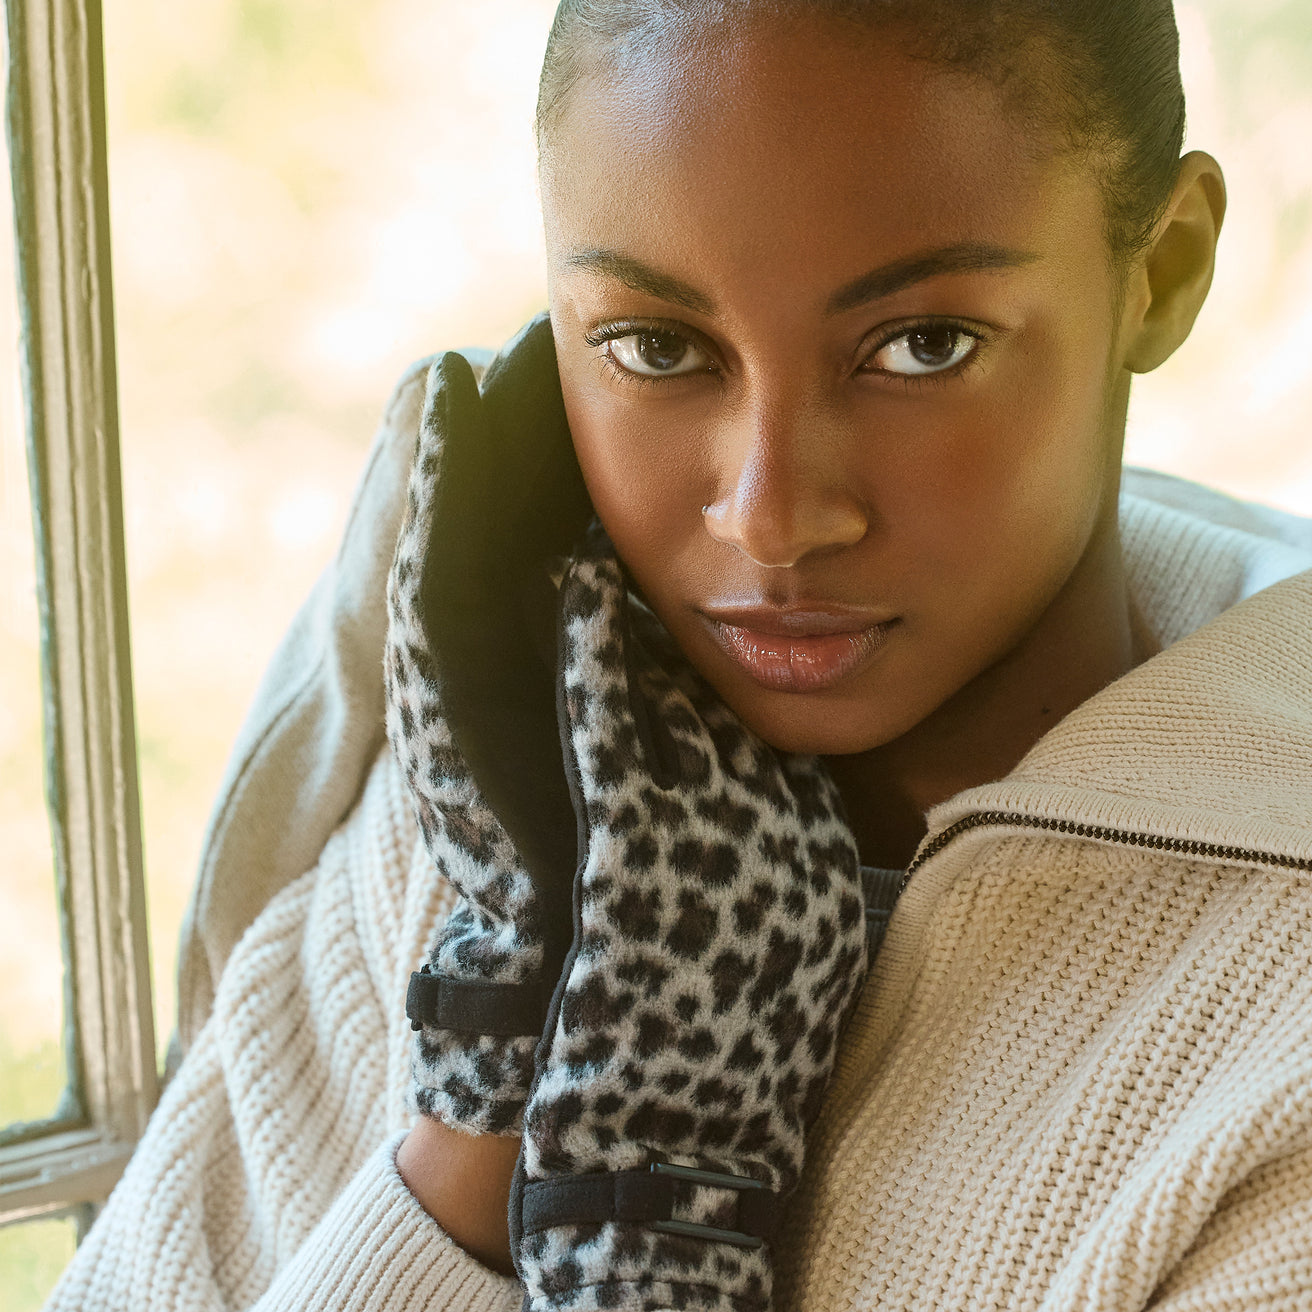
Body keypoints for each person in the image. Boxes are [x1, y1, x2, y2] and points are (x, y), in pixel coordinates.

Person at [45, 1, 1312, 1310]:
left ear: (1161, 272)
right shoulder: (485, 820)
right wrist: (491, 1124)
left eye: (921, 347)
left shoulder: (1284, 1026)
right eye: (658, 349)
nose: (770, 516)